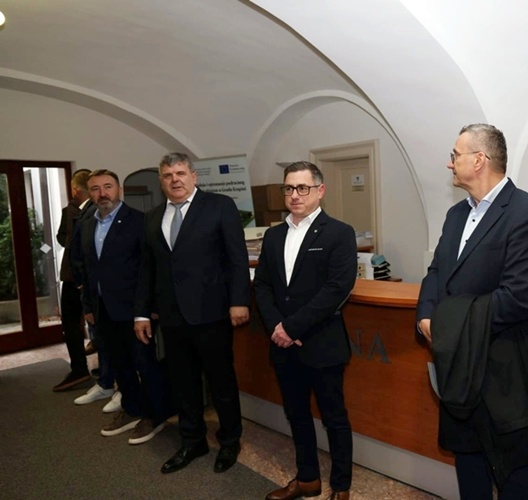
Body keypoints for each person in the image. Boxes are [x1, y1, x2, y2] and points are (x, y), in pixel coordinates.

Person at [416, 123, 528, 499]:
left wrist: (447, 324)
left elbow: (517, 298)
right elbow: (436, 273)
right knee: (468, 458)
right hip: (457, 362)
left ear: (479, 160)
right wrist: (425, 315)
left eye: (455, 155)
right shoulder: (455, 215)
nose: (450, 163)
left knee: (509, 464)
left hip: (500, 363)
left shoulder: (527, 212)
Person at [135, 152, 250, 473]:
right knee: (183, 383)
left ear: (194, 176)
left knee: (220, 382)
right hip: (171, 317)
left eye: (181, 173)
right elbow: (147, 269)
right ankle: (192, 440)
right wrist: (141, 313)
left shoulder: (219, 206)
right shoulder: (152, 217)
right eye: (168, 175)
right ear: (161, 181)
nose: (175, 179)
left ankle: (230, 441)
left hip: (212, 313)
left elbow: (237, 258)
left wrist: (239, 300)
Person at [254, 161, 357, 500]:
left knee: (334, 418)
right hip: (283, 344)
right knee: (296, 414)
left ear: (320, 190)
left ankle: (341, 486)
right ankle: (307, 479)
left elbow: (336, 288)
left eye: (302, 188)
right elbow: (263, 286)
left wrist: (292, 326)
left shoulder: (339, 233)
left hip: (321, 342)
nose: (295, 195)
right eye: (289, 188)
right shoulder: (273, 235)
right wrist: (277, 327)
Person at [78, 169, 171, 444]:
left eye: (108, 187)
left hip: (135, 310)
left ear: (119, 190)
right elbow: (87, 268)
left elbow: (150, 267)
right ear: (90, 193)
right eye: (96, 188)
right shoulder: (87, 224)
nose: (102, 193)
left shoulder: (140, 221)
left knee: (144, 364)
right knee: (120, 364)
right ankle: (131, 408)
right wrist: (88, 305)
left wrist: (149, 307)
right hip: (103, 309)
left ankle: (154, 415)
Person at [53, 169, 92, 391]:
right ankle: (79, 367)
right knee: (70, 323)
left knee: (91, 322)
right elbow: (61, 236)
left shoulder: (96, 210)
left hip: (84, 276)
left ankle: (82, 370)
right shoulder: (67, 211)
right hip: (70, 274)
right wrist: (70, 241)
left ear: (75, 188)